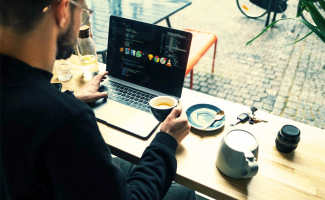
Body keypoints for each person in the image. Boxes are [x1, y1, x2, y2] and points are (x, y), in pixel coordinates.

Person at [0, 0, 196, 199]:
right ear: (63, 11)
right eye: (84, 13)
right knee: (185, 191)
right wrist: (166, 141)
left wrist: (73, 98)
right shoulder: (66, 121)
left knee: (130, 164)